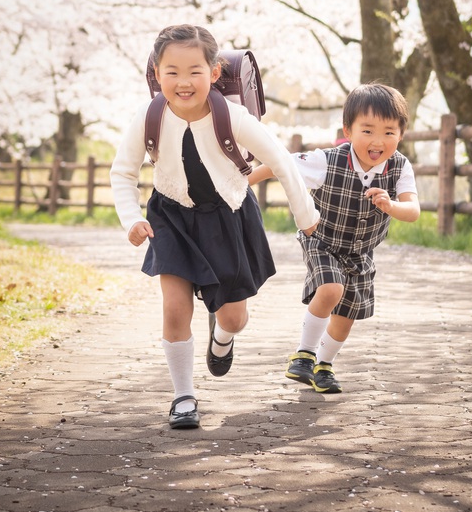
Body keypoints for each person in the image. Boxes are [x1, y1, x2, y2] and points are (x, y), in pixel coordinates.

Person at [110, 24, 319, 430]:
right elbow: (123, 173)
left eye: (194, 71)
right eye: (171, 71)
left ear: (214, 71)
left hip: (229, 217)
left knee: (235, 318)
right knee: (174, 308)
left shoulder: (233, 118)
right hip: (170, 217)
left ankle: (221, 338)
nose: (183, 82)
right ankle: (183, 397)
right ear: (156, 72)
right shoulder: (148, 116)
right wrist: (132, 219)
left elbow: (281, 161)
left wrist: (306, 218)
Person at [248, 82, 420, 395]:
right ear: (348, 130)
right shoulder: (327, 161)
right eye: (367, 131)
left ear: (401, 134)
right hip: (322, 239)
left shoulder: (399, 167)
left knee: (346, 316)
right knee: (330, 289)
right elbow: (279, 164)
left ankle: (323, 365)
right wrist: (240, 185)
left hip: (360, 252)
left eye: (389, 132)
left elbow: (412, 210)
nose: (378, 141)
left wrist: (391, 205)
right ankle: (304, 354)